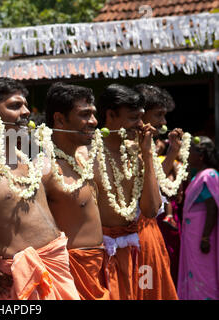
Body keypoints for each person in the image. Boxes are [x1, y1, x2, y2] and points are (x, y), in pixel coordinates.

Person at [0, 77, 80, 300]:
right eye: (15, 106)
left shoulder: (33, 158)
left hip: (58, 264)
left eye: (25, 105)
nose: (25, 112)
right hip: (17, 276)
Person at [41, 82, 110, 300]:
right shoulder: (44, 168)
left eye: (94, 114)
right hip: (69, 272)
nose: (94, 122)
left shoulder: (84, 160)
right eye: (85, 114)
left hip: (98, 266)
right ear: (60, 119)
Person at [94, 83, 162, 300]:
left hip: (135, 255)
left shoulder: (139, 155)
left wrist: (147, 155)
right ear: (111, 115)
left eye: (141, 117)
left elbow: (151, 209)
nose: (141, 125)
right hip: (98, 257)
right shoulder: (86, 155)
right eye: (134, 118)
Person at [133, 84, 179, 300]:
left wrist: (172, 153)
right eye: (158, 115)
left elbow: (154, 183)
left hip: (150, 232)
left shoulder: (146, 147)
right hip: (132, 236)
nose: (163, 122)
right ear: (140, 115)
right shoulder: (126, 148)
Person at [178, 136, 219, 300]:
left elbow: (212, 207)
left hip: (202, 235)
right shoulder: (198, 175)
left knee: (203, 272)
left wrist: (205, 237)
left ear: (201, 155)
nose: (187, 155)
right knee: (194, 271)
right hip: (193, 234)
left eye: (190, 151)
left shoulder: (208, 175)